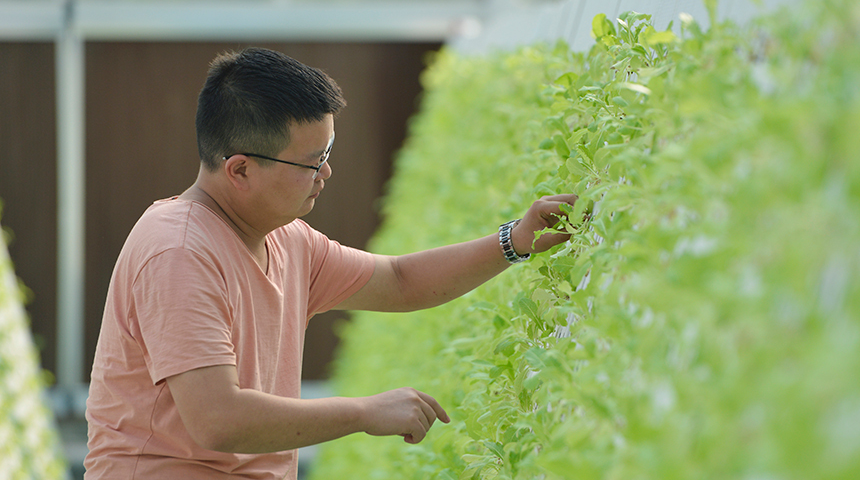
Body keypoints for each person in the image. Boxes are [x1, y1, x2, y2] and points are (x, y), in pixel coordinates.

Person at [84, 47, 577, 479]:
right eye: (311, 163)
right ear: (240, 170)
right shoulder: (180, 253)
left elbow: (400, 281)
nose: (326, 173)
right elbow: (217, 419)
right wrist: (363, 412)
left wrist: (516, 239)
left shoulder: (287, 240)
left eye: (328, 152)